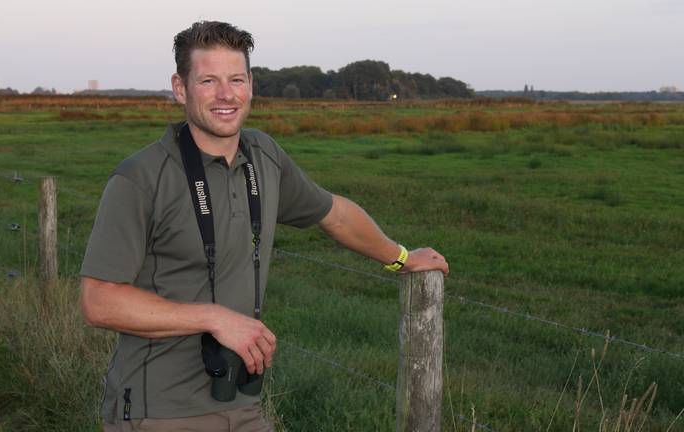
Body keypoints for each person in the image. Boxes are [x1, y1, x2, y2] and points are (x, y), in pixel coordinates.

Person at [80, 20, 449, 432]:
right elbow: (99, 302)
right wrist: (214, 317)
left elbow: (335, 214)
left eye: (236, 79)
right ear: (180, 88)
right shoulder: (142, 178)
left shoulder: (264, 157)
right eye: (208, 80)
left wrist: (401, 258)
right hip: (159, 410)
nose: (226, 94)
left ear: (250, 85)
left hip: (242, 402)